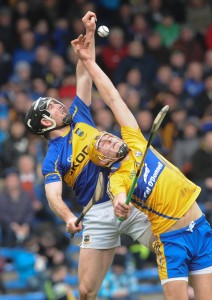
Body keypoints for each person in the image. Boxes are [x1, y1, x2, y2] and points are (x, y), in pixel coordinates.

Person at [73, 29, 212, 300]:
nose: (109, 139)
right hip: (171, 242)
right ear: (104, 160)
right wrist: (119, 203)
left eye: (107, 136)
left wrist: (90, 62)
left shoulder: (135, 138)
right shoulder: (118, 178)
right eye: (103, 145)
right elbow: (118, 198)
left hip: (200, 226)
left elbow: (113, 97)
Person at [24, 11, 153, 300]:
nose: (61, 106)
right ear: (45, 123)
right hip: (97, 213)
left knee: (170, 248)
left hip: (129, 195)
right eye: (54, 107)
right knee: (85, 291)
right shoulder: (53, 158)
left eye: (59, 103)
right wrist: (69, 217)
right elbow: (53, 196)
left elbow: (85, 72)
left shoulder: (79, 116)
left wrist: (90, 35)